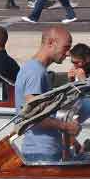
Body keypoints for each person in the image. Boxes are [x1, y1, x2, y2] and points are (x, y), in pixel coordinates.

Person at [13, 26, 79, 162]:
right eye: (66, 47)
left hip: (41, 150)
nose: (68, 54)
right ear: (51, 43)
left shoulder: (33, 68)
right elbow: (34, 116)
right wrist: (67, 126)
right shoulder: (36, 72)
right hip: (42, 153)